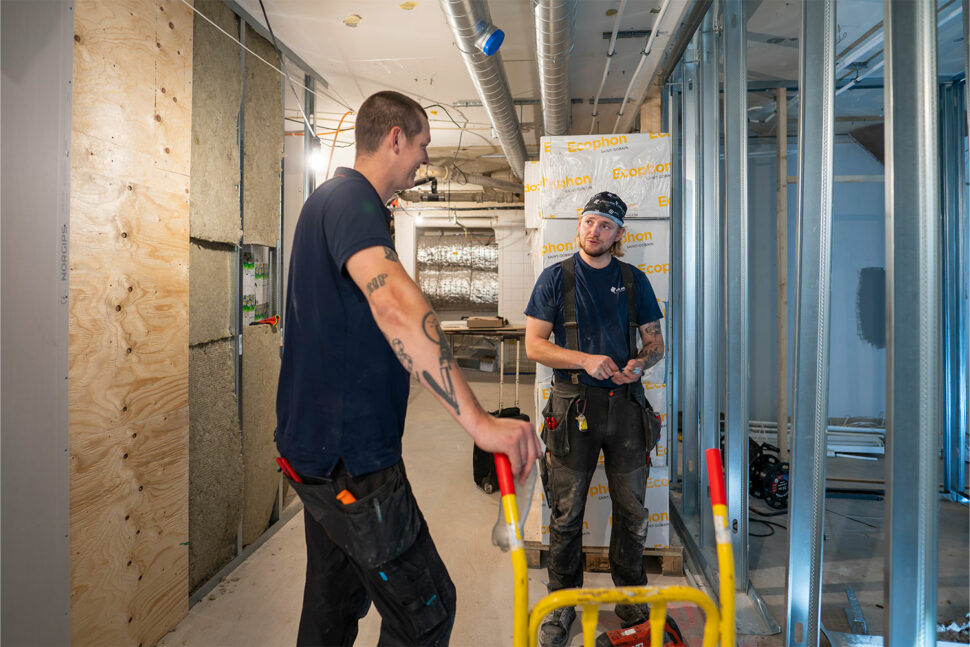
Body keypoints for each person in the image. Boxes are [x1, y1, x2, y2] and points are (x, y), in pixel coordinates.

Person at [275, 90, 541, 646]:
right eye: (421, 144)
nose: (423, 158)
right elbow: (394, 304)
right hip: (352, 463)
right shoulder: (352, 200)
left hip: (319, 453)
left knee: (333, 605)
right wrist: (480, 423)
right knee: (427, 610)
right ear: (394, 137)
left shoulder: (330, 202)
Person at [524, 192, 665, 647]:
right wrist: (584, 359)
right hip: (571, 408)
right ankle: (562, 604)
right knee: (566, 515)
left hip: (626, 407)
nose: (594, 231)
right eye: (588, 222)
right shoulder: (554, 279)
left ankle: (630, 599)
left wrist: (640, 364)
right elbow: (535, 345)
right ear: (578, 227)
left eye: (605, 225)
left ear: (619, 234)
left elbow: (655, 344)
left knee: (632, 510)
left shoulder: (635, 280)